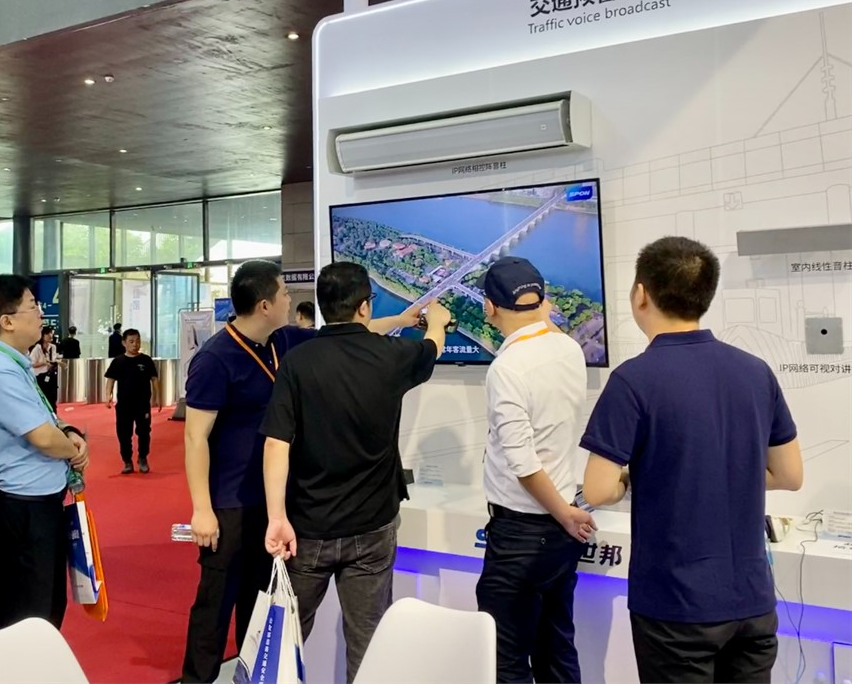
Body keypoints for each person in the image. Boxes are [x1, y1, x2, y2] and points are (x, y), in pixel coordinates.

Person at [180, 259, 417, 683]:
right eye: (285, 293)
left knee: (261, 608)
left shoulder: (283, 341)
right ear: (265, 305)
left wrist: (401, 320)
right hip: (230, 504)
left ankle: (250, 674)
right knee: (214, 607)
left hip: (277, 503)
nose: (291, 300)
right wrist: (202, 509)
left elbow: (354, 334)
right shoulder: (215, 359)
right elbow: (195, 437)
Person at [580, 236, 803, 684]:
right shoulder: (755, 371)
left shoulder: (633, 380)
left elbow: (597, 490)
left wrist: (634, 479)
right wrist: (723, 470)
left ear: (641, 294)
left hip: (675, 607)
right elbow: (789, 474)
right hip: (753, 603)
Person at [261, 263, 448, 683]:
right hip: (372, 527)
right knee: (368, 645)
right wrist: (435, 321)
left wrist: (277, 517)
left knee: (284, 641)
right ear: (364, 306)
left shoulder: (297, 361)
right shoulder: (392, 356)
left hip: (307, 529)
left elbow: (276, 443)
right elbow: (431, 347)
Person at [474, 256, 594, 684]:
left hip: (522, 535)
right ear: (542, 300)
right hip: (560, 534)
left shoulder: (507, 368)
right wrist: (566, 515)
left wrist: (564, 514)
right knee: (557, 650)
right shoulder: (568, 348)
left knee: (504, 659)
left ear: (489, 307)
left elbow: (523, 463)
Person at [0, 274, 90, 632]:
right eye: (33, 307)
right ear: (7, 321)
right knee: (24, 615)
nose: (40, 315)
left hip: (36, 506)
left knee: (45, 607)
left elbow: (46, 421)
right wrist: (73, 451)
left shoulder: (13, 362)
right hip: (19, 511)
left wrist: (69, 432)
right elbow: (43, 438)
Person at [105, 328, 160, 474]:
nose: (135, 344)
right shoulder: (118, 361)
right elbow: (110, 380)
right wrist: (108, 395)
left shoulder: (146, 360)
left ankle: (142, 458)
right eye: (131, 341)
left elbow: (154, 379)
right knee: (124, 434)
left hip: (142, 405)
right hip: (124, 405)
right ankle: (127, 461)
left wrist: (158, 397)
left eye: (137, 341)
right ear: (124, 343)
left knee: (144, 432)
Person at [30, 326, 61, 412]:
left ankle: (53, 415)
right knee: (43, 399)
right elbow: (31, 364)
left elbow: (53, 360)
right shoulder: (37, 348)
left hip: (51, 375)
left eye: (51, 333)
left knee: (53, 398)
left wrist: (57, 362)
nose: (50, 335)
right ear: (42, 336)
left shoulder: (53, 347)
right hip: (40, 377)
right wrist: (43, 363)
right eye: (47, 333)